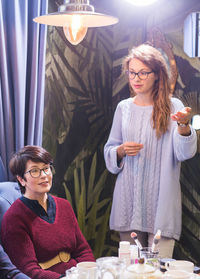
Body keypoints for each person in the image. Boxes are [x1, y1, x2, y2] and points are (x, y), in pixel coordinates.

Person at [104, 44, 197, 258]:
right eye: (132, 72)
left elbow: (184, 153)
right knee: (130, 271)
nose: (136, 78)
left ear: (157, 75)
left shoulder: (173, 106)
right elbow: (110, 150)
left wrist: (183, 125)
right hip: (128, 203)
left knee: (158, 271)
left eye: (143, 72)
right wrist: (120, 150)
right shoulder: (123, 108)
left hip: (162, 205)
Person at [1, 145, 95, 279]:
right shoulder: (14, 218)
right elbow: (28, 270)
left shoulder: (64, 205)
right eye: (34, 171)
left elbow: (83, 251)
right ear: (21, 180)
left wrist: (89, 272)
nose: (44, 175)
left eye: (46, 168)